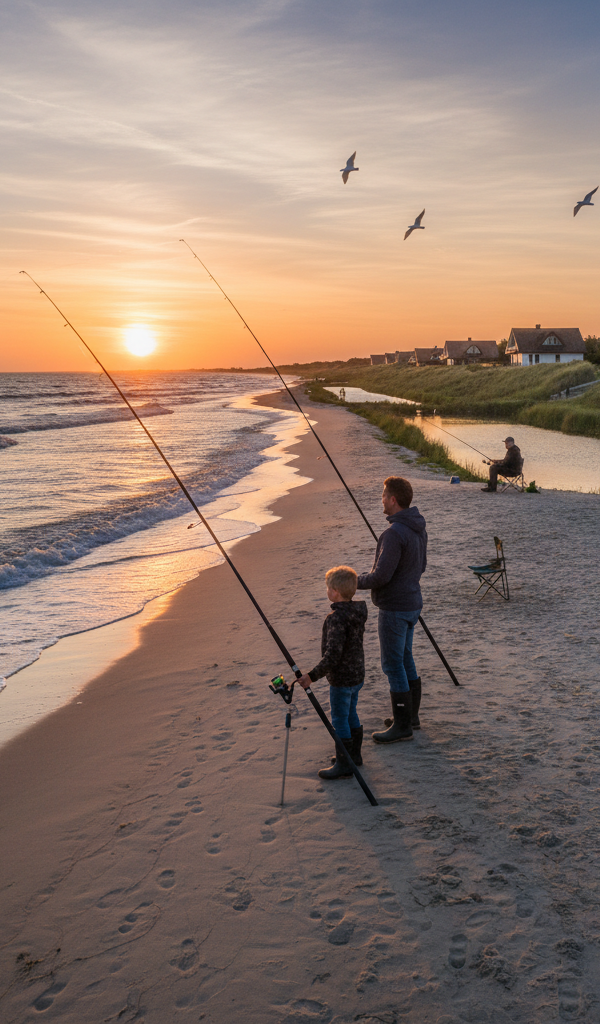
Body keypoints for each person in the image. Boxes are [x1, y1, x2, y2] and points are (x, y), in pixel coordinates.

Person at [356, 476, 427, 744]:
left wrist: (353, 581)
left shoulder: (394, 533)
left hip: (396, 608)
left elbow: (380, 577)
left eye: (384, 495)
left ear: (393, 500)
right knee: (405, 657)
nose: (382, 500)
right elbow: (421, 567)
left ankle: (402, 726)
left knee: (392, 664)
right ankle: (410, 717)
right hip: (411, 604)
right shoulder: (418, 527)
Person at [296, 566, 367, 780]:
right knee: (350, 713)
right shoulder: (358, 611)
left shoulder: (336, 619)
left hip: (342, 679)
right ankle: (353, 755)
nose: (327, 591)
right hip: (357, 675)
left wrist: (311, 676)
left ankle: (345, 763)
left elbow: (332, 656)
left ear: (335, 592)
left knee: (339, 718)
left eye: (328, 588)